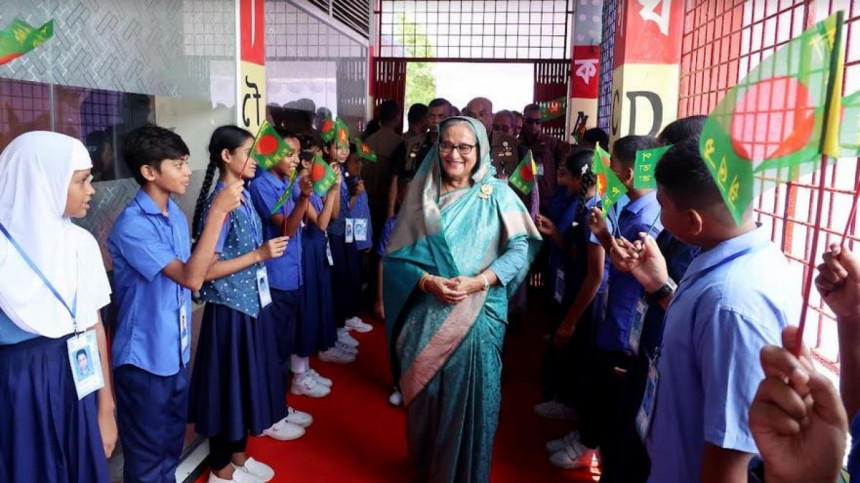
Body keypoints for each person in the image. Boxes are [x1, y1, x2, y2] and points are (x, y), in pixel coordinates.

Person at [612, 137, 799, 482]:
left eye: (662, 203)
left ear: (693, 221)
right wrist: (659, 285)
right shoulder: (729, 258)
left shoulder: (732, 304)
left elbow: (730, 452)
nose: (658, 213)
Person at [383, 116, 541, 482]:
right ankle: (429, 467)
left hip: (480, 314)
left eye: (464, 147)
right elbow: (396, 259)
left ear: (480, 149)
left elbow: (519, 249)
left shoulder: (498, 194)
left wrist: (478, 282)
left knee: (472, 400)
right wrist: (427, 282)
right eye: (446, 145)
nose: (454, 154)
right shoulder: (422, 196)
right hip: (426, 314)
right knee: (426, 399)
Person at [109, 125, 243, 482]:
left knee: (169, 448)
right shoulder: (132, 226)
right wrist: (217, 213)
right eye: (178, 164)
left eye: (186, 162)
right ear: (149, 171)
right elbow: (191, 277)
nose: (187, 172)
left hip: (176, 354)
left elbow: (198, 268)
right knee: (147, 460)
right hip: (144, 360)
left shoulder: (176, 217)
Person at [0, 131, 117, 482]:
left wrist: (105, 406)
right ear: (41, 182)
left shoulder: (81, 243)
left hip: (77, 377)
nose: (91, 190)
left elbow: (94, 325)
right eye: (81, 181)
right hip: (17, 386)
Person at [188, 126, 293, 482]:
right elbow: (205, 270)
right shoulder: (221, 203)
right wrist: (259, 254)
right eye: (248, 152)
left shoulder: (242, 195)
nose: (255, 159)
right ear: (226, 156)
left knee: (243, 386)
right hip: (229, 311)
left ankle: (238, 456)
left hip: (250, 306)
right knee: (226, 391)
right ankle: (220, 470)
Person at [533, 150, 607, 448]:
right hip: (573, 288)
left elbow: (595, 274)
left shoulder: (595, 212)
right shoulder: (582, 205)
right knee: (573, 352)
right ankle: (567, 402)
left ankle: (575, 416)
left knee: (581, 354)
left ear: (578, 178)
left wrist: (571, 319)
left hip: (586, 300)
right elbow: (574, 254)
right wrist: (554, 234)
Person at [363, 99, 403, 241]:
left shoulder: (369, 140)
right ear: (397, 117)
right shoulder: (399, 143)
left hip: (367, 199)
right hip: (386, 202)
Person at [519, 103, 571, 212]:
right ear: (523, 120)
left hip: (546, 200)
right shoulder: (517, 143)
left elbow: (565, 159)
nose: (534, 125)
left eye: (538, 122)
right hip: (522, 198)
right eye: (530, 121)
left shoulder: (551, 143)